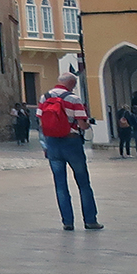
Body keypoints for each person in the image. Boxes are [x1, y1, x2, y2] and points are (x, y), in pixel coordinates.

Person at [38, 72, 101, 231]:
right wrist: (87, 125)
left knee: (60, 184)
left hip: (52, 143)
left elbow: (41, 121)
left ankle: (67, 221)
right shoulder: (73, 99)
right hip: (71, 142)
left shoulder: (44, 97)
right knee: (83, 183)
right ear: (72, 84)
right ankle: (90, 220)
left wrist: (46, 143)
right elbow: (82, 124)